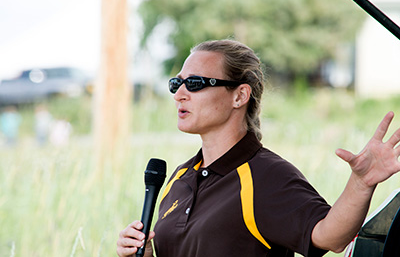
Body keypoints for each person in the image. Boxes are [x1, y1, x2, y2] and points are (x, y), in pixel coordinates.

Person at [117, 39, 400, 257]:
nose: (179, 94)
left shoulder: (266, 176)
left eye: (195, 83)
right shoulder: (179, 178)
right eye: (176, 83)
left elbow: (329, 237)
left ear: (240, 95)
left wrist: (361, 183)